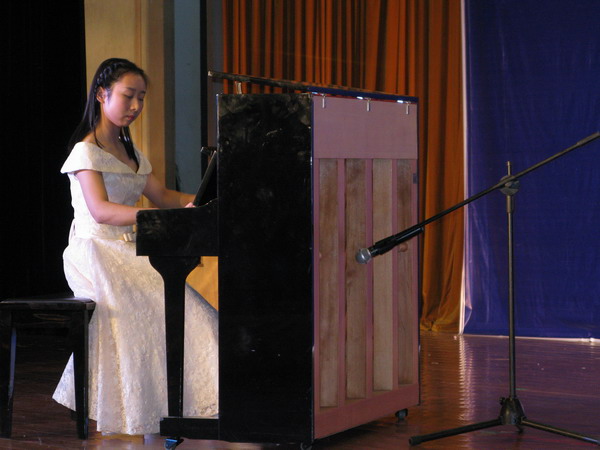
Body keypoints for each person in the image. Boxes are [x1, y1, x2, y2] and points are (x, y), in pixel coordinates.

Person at [52, 58, 218, 435]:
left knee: (187, 306)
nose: (136, 105)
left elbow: (164, 195)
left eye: (141, 97)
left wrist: (203, 203)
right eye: (129, 96)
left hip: (129, 248)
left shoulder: (130, 151)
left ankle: (176, 405)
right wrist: (160, 218)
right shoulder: (85, 150)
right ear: (102, 94)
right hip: (95, 250)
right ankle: (140, 406)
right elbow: (101, 211)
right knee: (151, 306)